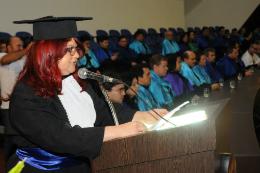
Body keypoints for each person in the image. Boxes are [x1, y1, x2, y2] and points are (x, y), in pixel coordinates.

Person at [4, 16, 168, 173]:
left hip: (79, 166)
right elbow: (60, 136)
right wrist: (119, 131)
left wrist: (142, 115)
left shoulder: (76, 82)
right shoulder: (25, 94)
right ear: (49, 53)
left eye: (76, 49)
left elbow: (103, 112)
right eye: (70, 50)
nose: (77, 55)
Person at [0, 37, 31, 162]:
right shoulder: (2, 56)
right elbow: (4, 60)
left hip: (24, 105)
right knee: (10, 139)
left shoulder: (24, 58)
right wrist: (26, 51)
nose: (21, 48)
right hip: (7, 107)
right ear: (9, 48)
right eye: (18, 46)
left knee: (23, 137)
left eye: (22, 46)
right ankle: (9, 165)